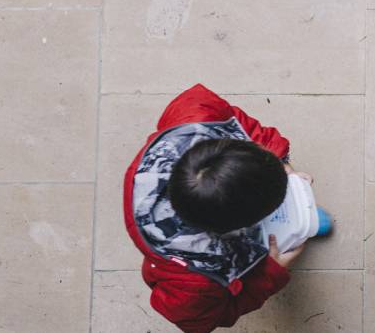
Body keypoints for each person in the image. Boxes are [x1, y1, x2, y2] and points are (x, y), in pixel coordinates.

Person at [123, 84, 321, 332]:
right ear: (238, 230)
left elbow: (235, 120)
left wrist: (280, 162)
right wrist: (268, 275)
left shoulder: (197, 117)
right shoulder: (192, 284)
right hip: (170, 261)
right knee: (162, 271)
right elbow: (202, 320)